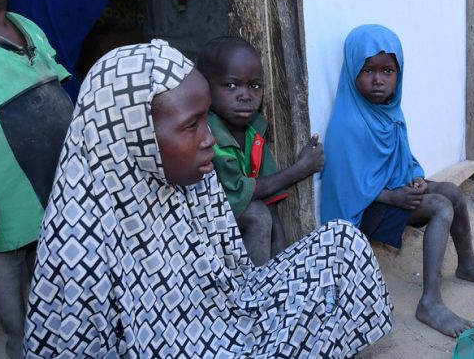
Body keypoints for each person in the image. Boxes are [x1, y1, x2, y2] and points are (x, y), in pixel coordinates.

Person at [24, 40, 393, 357]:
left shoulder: (195, 182)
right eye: (192, 125)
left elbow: (239, 280)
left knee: (343, 244)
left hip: (227, 321)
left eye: (206, 120)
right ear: (133, 133)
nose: (209, 139)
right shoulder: (77, 249)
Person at [320, 24, 474, 338]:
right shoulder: (347, 122)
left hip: (389, 192)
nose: (379, 79)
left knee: (452, 192)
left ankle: (467, 263)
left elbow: (404, 159)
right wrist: (392, 197)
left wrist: (416, 178)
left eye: (388, 70)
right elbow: (344, 184)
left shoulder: (390, 111)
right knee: (440, 207)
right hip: (362, 209)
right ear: (352, 70)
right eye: (368, 70)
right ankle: (430, 303)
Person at [0, 0, 74, 357]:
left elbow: (59, 89)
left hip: (55, 180)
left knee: (52, 258)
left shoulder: (31, 29)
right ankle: (17, 341)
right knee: (5, 265)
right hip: (3, 194)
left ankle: (54, 337)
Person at [197, 36, 324, 266]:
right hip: (202, 228)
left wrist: (280, 258)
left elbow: (268, 192)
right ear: (205, 87)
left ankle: (270, 277)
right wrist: (301, 169)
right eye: (231, 85)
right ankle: (252, 285)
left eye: (254, 86)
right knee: (257, 214)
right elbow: (240, 191)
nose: (245, 95)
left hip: (233, 221)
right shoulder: (208, 136)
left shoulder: (254, 130)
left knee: (266, 214)